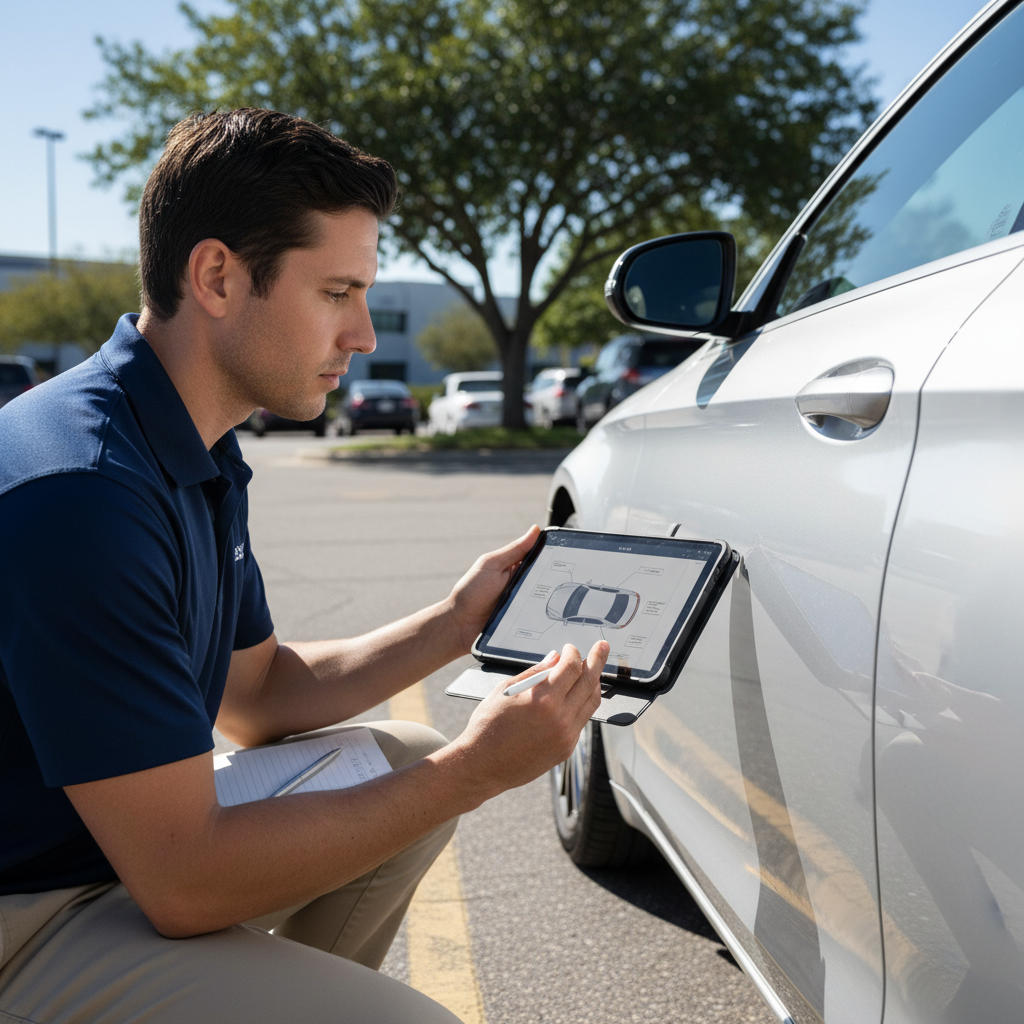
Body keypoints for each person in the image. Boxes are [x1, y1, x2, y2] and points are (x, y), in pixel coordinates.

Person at [0, 108, 607, 1024]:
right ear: (216, 276)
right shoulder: (82, 492)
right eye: (336, 293)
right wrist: (480, 771)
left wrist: (456, 621)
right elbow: (183, 883)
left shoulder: (185, 439)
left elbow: (261, 695)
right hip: (31, 913)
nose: (363, 334)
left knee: (403, 755)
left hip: (105, 856)